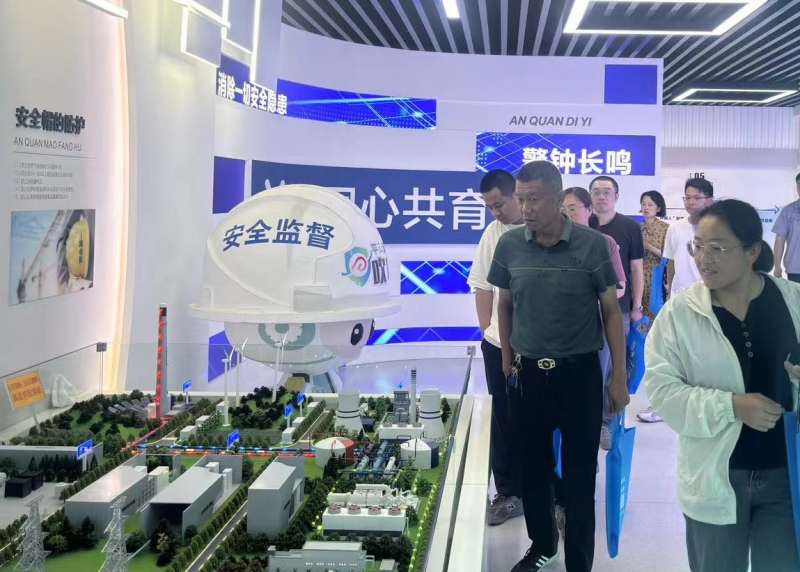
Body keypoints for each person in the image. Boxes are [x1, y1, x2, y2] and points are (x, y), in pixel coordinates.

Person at [644, 199, 800, 572]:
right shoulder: (680, 314)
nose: (704, 259)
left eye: (718, 248)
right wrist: (730, 406)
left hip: (787, 476)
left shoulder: (792, 301)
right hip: (714, 478)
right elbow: (662, 391)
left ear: (751, 252)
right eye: (698, 246)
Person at [489, 161, 629, 572]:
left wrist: (618, 378)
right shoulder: (510, 245)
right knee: (533, 470)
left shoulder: (593, 245)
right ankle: (542, 546)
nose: (525, 208)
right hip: (528, 376)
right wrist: (507, 362)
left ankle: (579, 562)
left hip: (579, 375)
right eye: (521, 199)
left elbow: (611, 312)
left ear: (557, 197)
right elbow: (504, 304)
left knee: (581, 476)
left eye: (534, 199)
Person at [554, 187, 626, 539]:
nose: (568, 214)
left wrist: (591, 296)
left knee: (593, 392)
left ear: (587, 211)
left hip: (593, 333)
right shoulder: (548, 243)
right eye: (563, 209)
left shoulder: (603, 244)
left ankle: (599, 429)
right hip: (555, 343)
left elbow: (619, 288)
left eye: (573, 208)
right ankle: (560, 498)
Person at [467, 169, 525, 526]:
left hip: (539, 346)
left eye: (499, 204)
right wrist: (488, 332)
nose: (496, 212)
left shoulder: (544, 229)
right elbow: (482, 285)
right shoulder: (494, 232)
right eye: (490, 207)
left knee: (540, 419)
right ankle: (508, 492)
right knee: (502, 419)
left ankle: (549, 491)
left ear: (517, 194)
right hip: (497, 344)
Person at [590, 175, 644, 450]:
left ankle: (605, 424)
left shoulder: (629, 227)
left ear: (617, 196)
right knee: (592, 370)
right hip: (584, 312)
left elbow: (636, 269)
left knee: (613, 371)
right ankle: (586, 423)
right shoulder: (580, 226)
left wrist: (636, 307)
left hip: (618, 310)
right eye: (596, 191)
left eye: (606, 191)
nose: (601, 196)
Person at [637, 190, 669, 424]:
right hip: (638, 274)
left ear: (658, 207)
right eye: (643, 203)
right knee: (640, 316)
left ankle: (655, 351)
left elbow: (668, 256)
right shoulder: (636, 228)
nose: (646, 207)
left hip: (656, 276)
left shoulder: (665, 229)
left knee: (655, 315)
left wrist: (648, 246)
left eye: (650, 204)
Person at [663, 178, 714, 298]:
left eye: (697, 198)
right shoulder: (674, 228)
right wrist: (670, 294)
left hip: (708, 297)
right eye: (687, 197)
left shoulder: (718, 229)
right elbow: (671, 264)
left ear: (710, 201)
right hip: (679, 297)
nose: (690, 202)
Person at [773, 172, 800, 283]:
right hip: (795, 268)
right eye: (799, 185)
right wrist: (777, 264)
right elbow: (780, 239)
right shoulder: (788, 211)